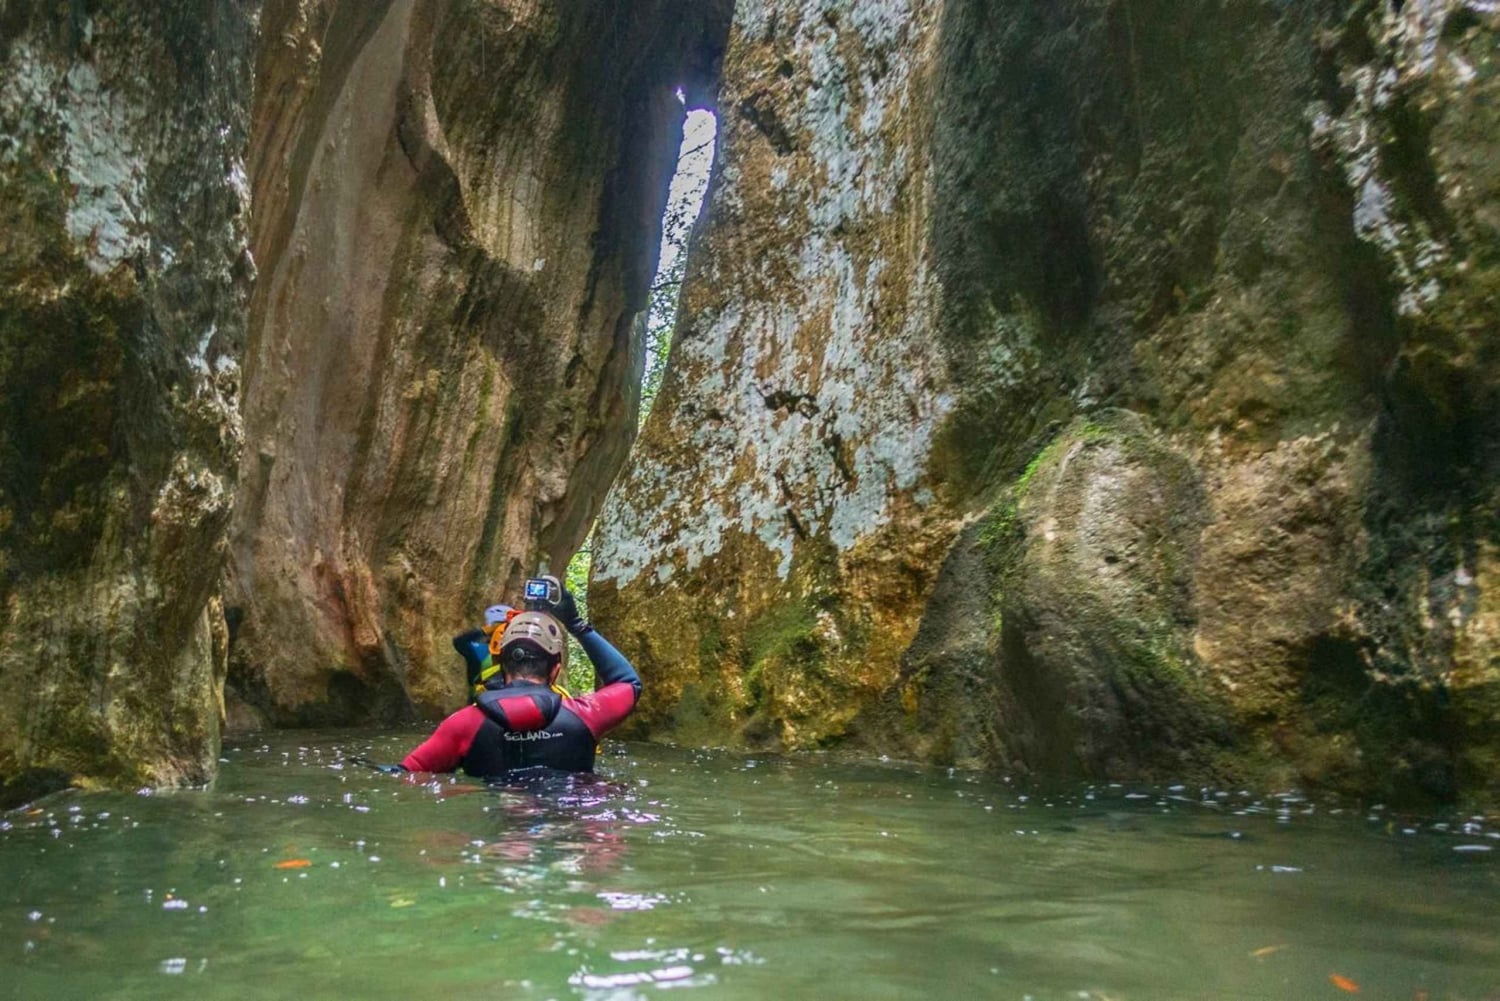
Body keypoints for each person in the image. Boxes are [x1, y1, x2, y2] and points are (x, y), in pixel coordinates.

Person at [401, 584, 640, 776]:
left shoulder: (463, 725)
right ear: (555, 670)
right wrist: (577, 625)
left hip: (501, 829)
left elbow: (404, 774)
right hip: (571, 825)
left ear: (502, 665)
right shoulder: (587, 714)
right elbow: (629, 682)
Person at [452, 603, 515, 698]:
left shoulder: (516, 650)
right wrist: (487, 630)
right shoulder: (481, 650)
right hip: (480, 703)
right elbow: (459, 642)